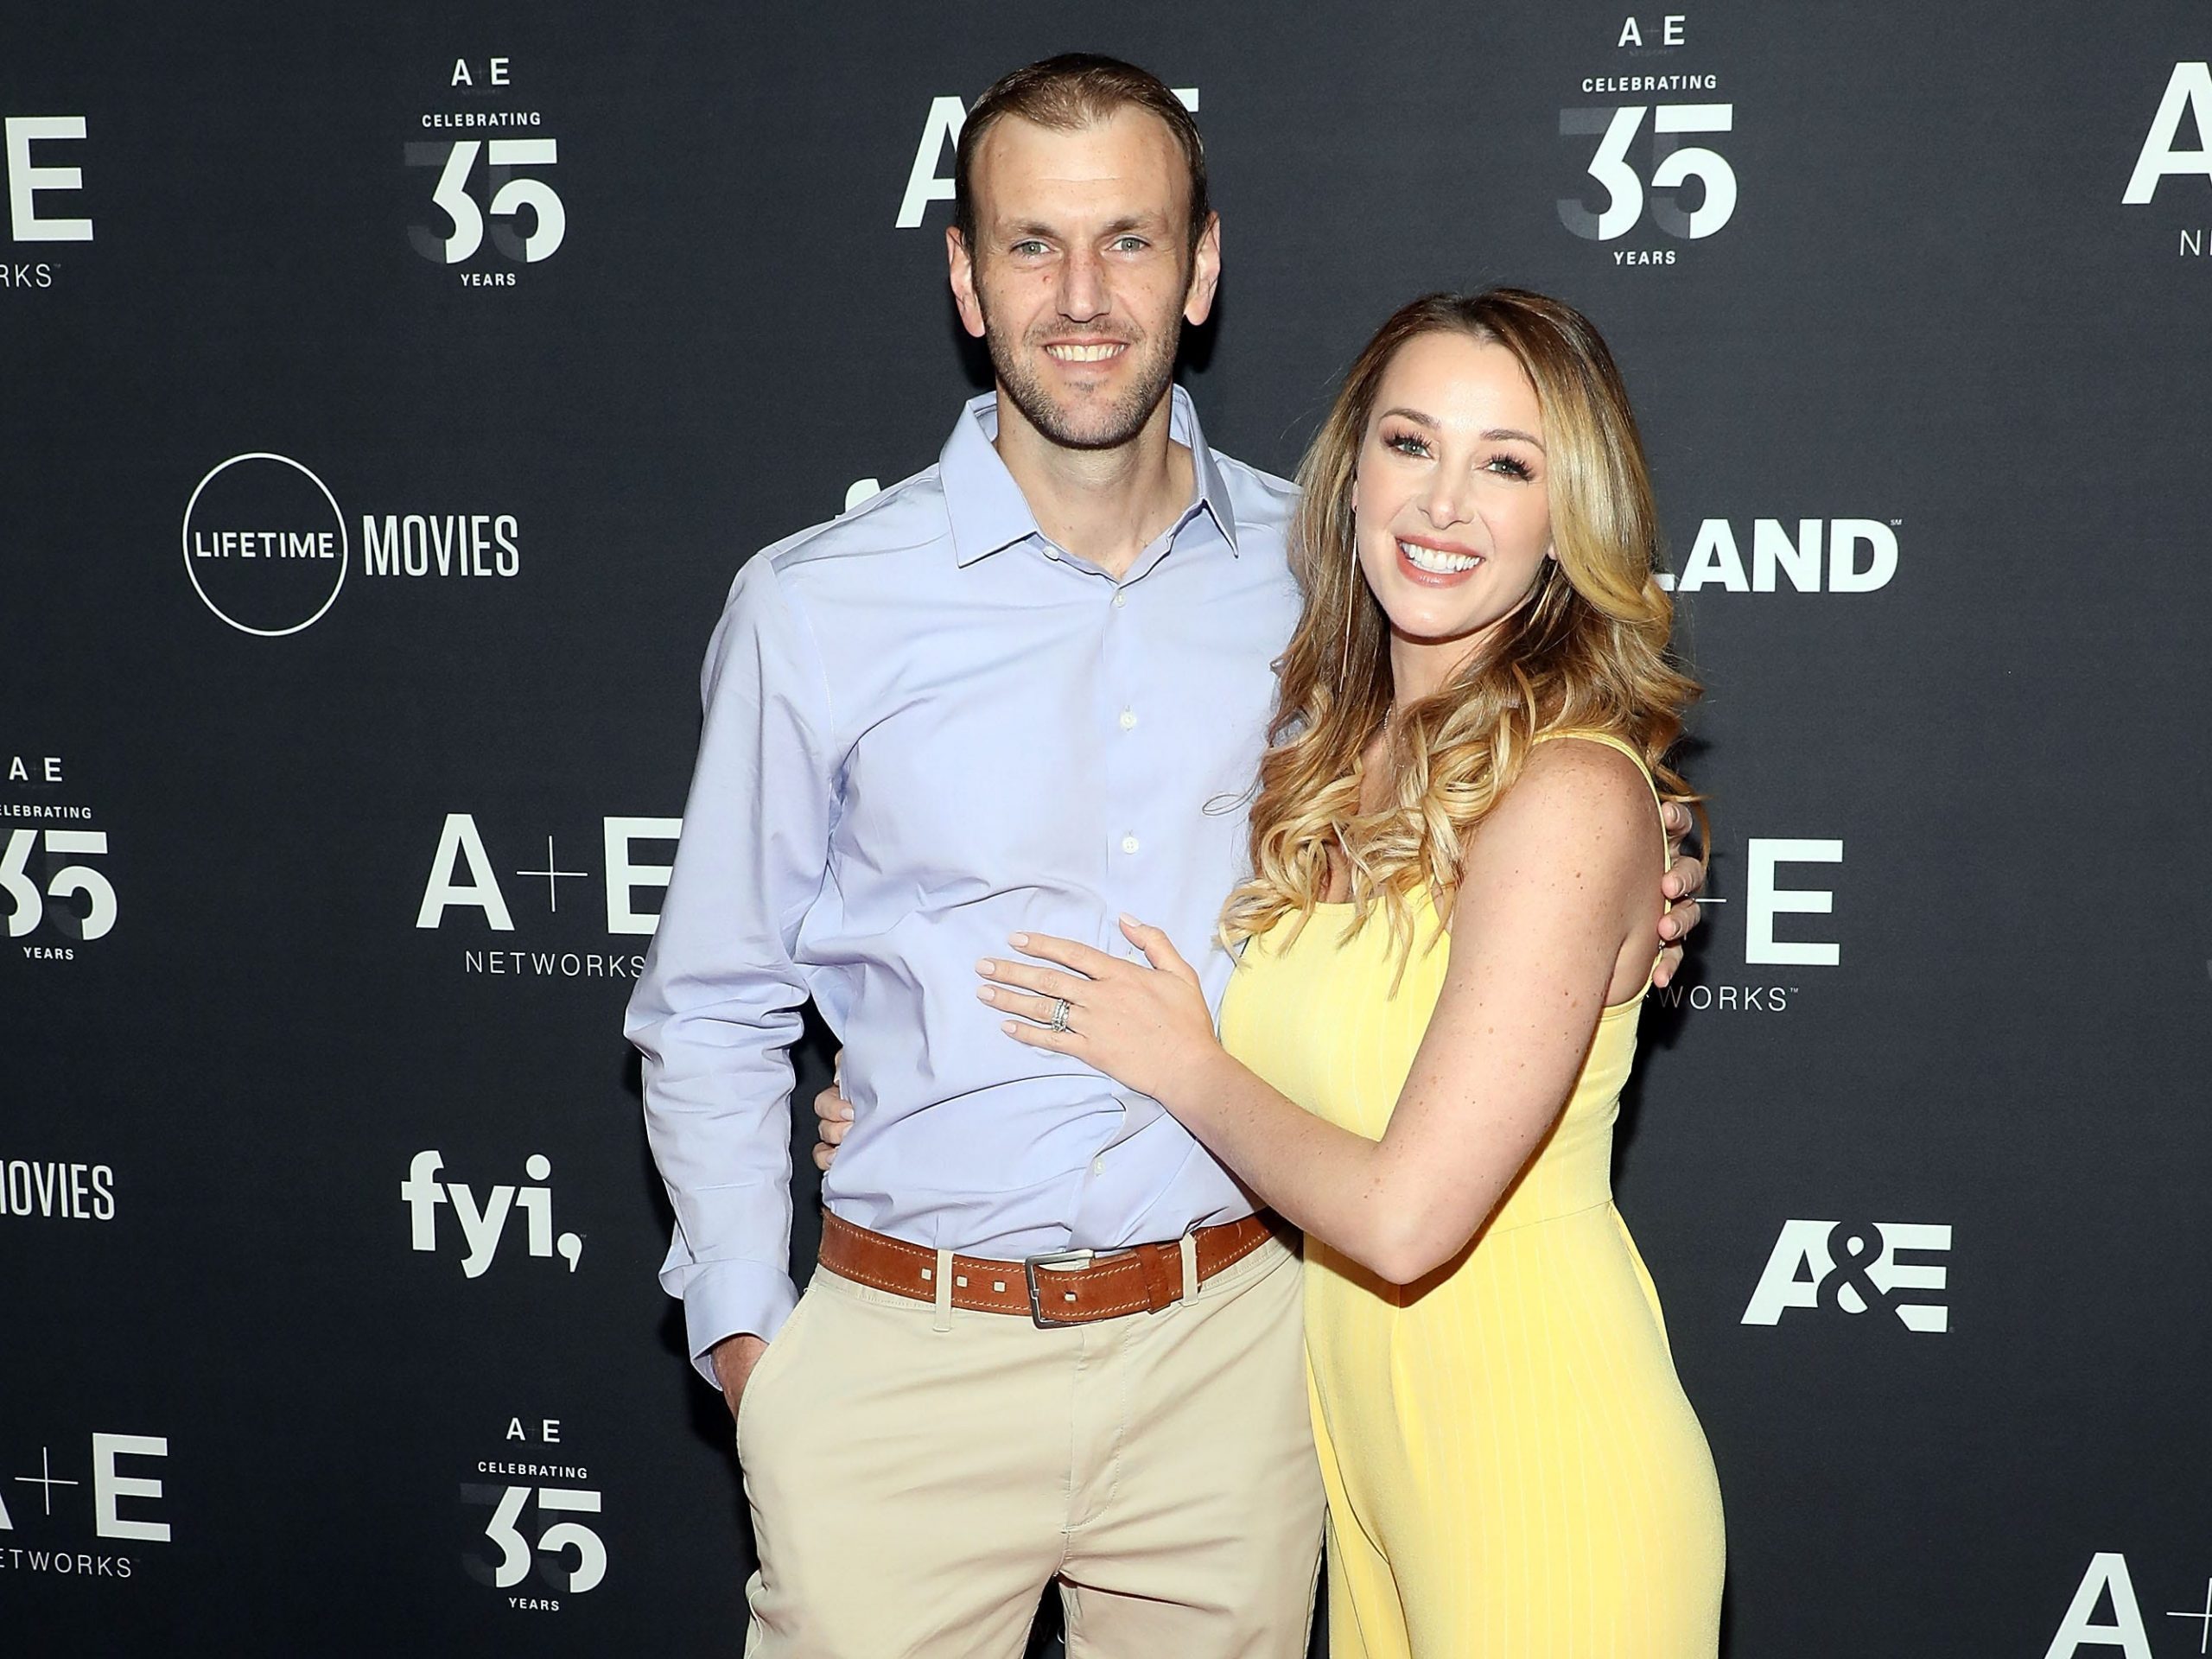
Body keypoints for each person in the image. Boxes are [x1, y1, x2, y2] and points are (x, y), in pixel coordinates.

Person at [630, 52, 1703, 1658]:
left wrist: (1642, 846)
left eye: (1129, 240)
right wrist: (748, 1347)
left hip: (1238, 1373)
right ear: (964, 275)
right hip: (906, 1367)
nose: (1081, 296)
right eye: (1031, 244)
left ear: (1200, 270)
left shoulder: (1325, 577)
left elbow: (1519, 789)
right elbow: (711, 1001)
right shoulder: (814, 607)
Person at [963, 289, 1727, 1656]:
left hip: (1538, 1452)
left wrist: (1183, 1063)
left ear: (1572, 515)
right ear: (1351, 473)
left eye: (1508, 462)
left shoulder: (1567, 792)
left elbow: (1406, 1216)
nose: (1444, 503)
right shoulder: (1331, 751)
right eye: (1410, 443)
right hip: (1370, 1461)